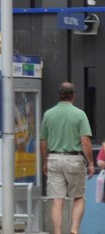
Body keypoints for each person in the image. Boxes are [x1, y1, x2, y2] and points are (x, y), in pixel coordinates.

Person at [40, 82, 95, 234]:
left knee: (57, 200)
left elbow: (43, 141)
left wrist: (45, 162)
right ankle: (74, 230)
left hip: (54, 159)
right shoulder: (79, 114)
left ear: (59, 95)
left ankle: (58, 232)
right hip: (73, 159)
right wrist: (90, 163)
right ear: (73, 96)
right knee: (78, 197)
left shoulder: (48, 114)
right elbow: (85, 140)